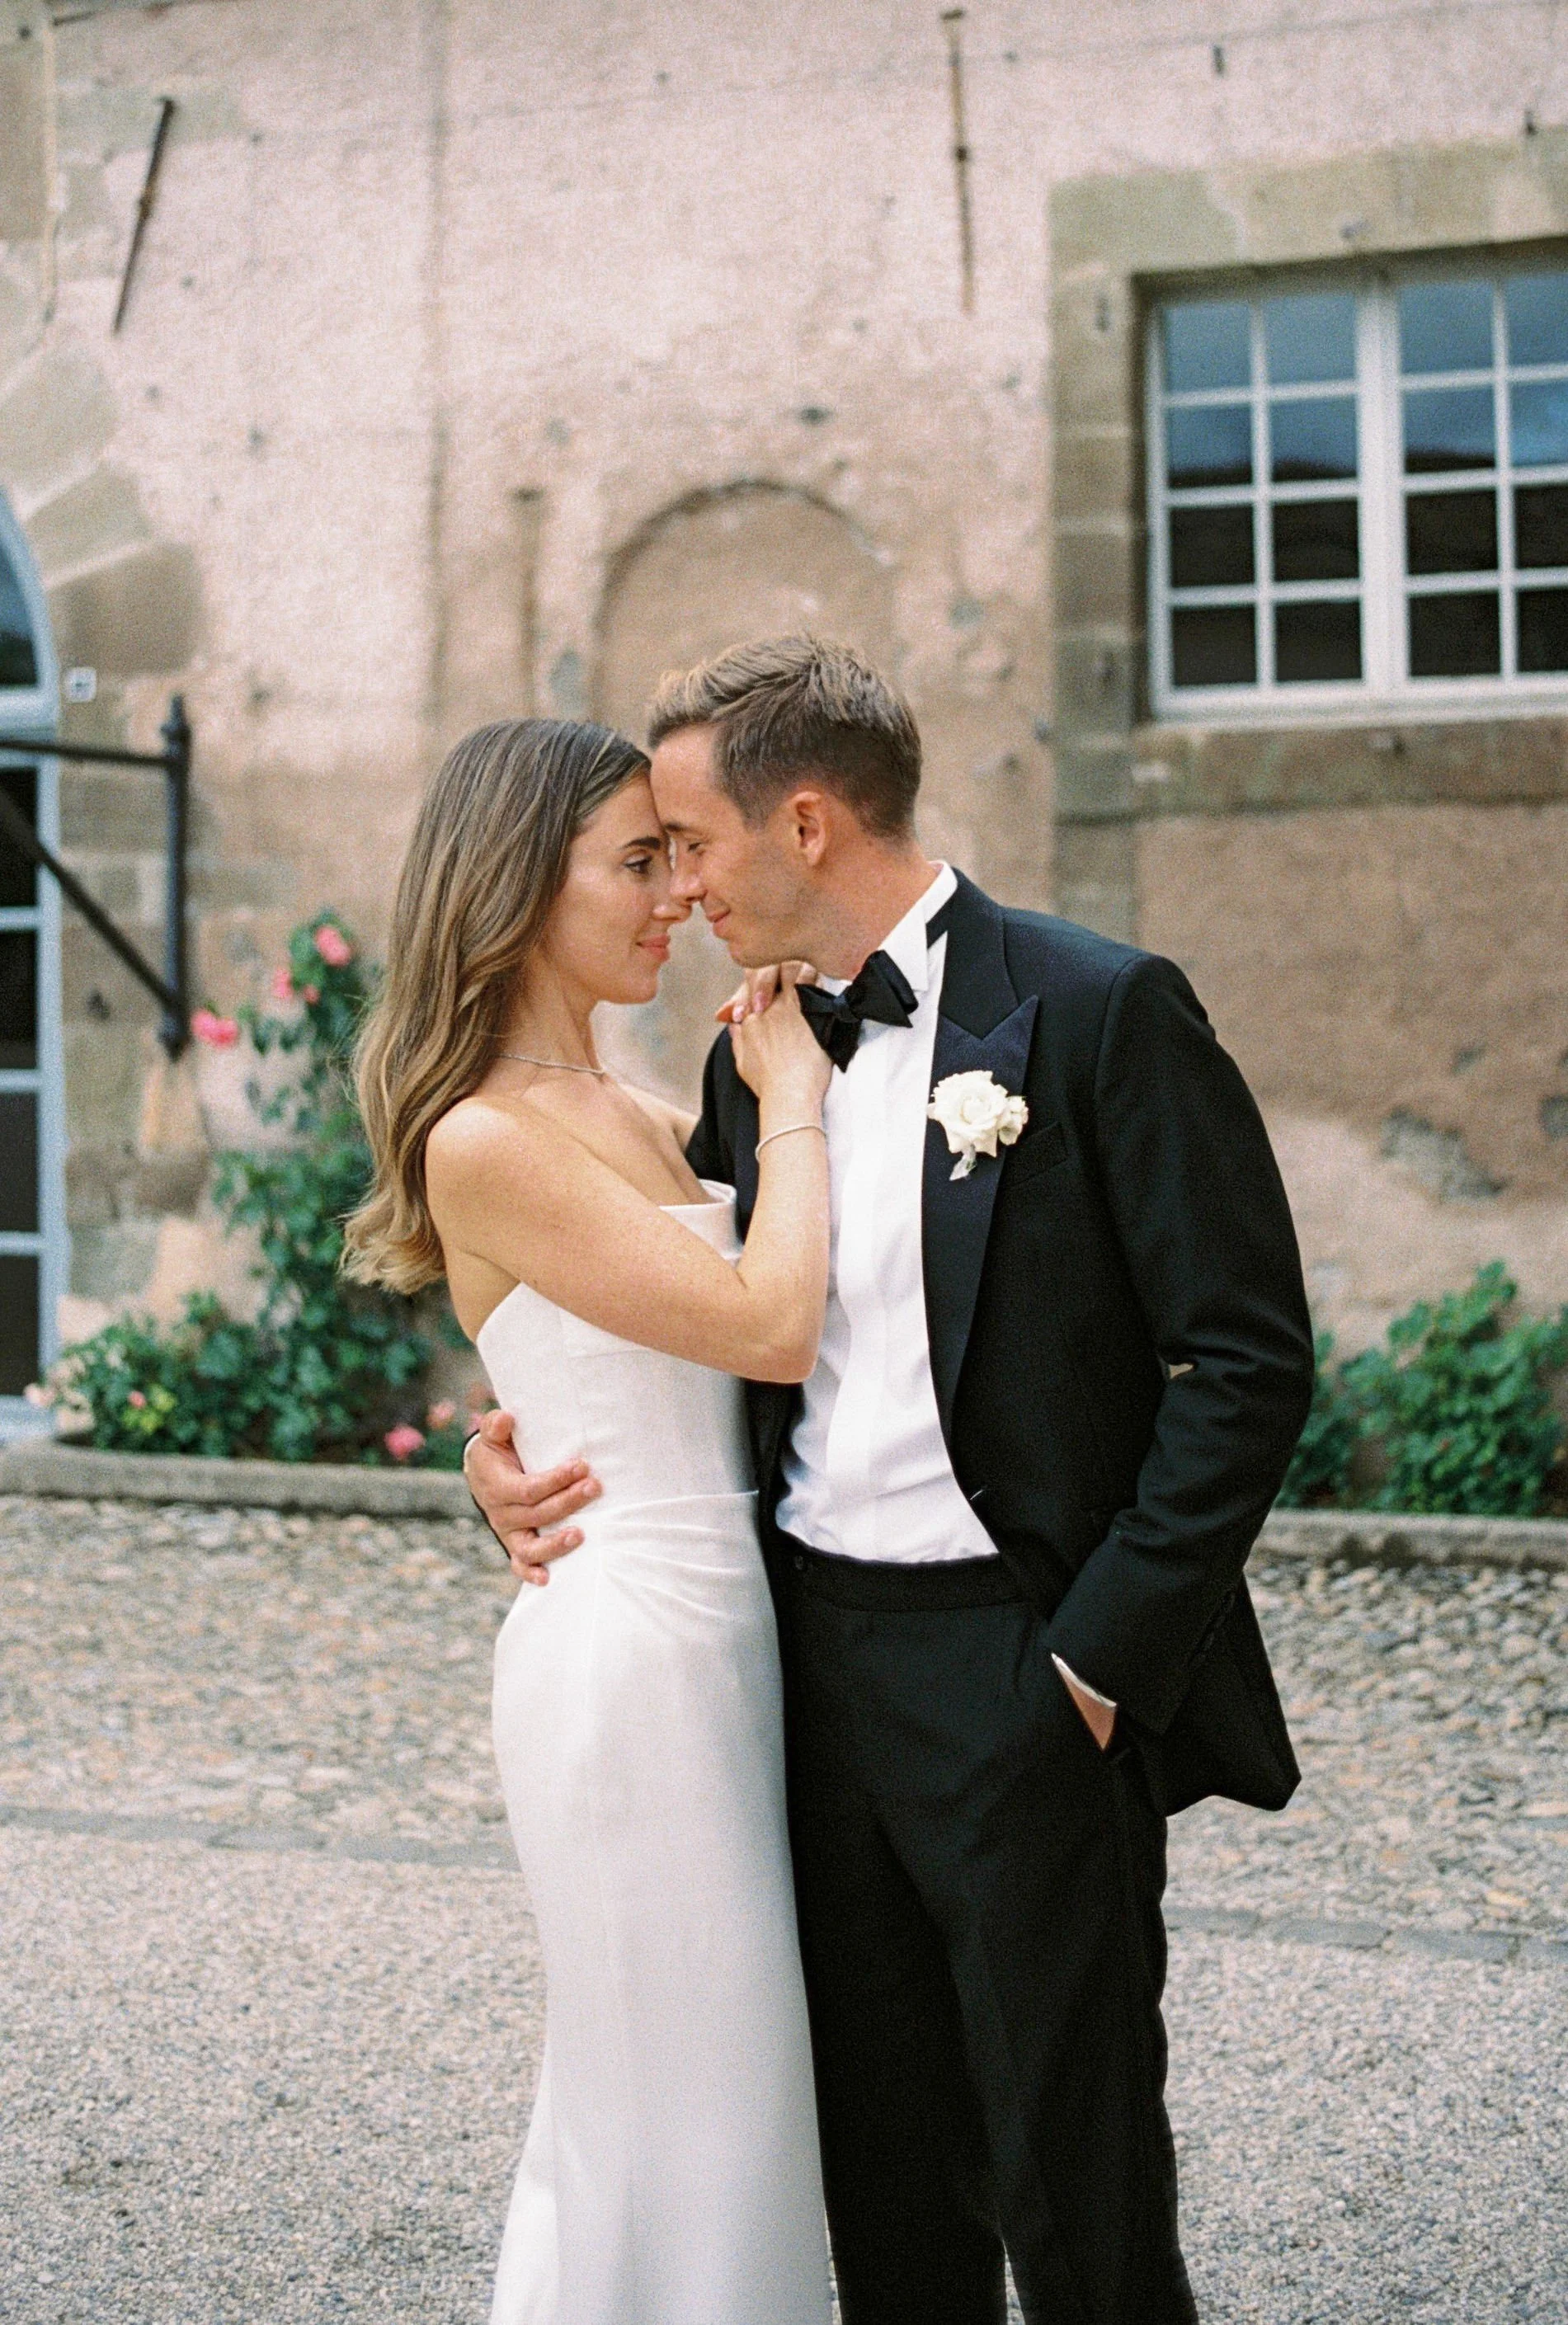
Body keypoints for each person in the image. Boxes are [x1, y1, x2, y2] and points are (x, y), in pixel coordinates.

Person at [466, 636, 1316, 2325]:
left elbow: (1243, 1360)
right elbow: (661, 1326)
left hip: (1020, 1659)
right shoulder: (744, 1061)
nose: (677, 885)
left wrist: (1090, 1663)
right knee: (876, 2175)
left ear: (798, 825)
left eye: (688, 844)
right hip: (792, 1674)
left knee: (1072, 2185)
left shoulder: (1093, 1010)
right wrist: (505, 1451)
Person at [342, 716, 835, 2325]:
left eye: (674, 857)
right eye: (636, 861)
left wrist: (496, 1443)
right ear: (511, 884)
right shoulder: (483, 1134)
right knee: (674, 2113)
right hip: (625, 1657)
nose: (675, 895)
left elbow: (644, 1367)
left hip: (721, 1634)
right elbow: (764, 1322)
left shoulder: (628, 1101)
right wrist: (804, 1104)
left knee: (729, 2105)